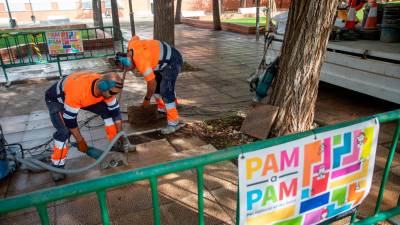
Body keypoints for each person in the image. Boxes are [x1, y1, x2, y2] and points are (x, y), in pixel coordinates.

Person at [44, 71, 123, 181]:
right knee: (64, 131)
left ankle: (116, 143)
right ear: (102, 87)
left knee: (108, 112)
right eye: (112, 93)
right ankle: (57, 165)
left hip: (83, 96)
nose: (113, 96)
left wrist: (120, 133)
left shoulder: (107, 86)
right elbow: (70, 120)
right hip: (57, 100)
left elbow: (115, 111)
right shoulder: (78, 92)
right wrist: (80, 140)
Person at [114, 35, 183, 134]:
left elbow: (151, 84)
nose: (125, 71)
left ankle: (173, 123)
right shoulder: (131, 45)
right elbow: (135, 37)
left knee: (166, 90)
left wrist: (147, 100)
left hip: (173, 61)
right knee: (157, 89)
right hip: (161, 62)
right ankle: (163, 108)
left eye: (125, 68)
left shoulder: (141, 62)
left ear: (127, 63)